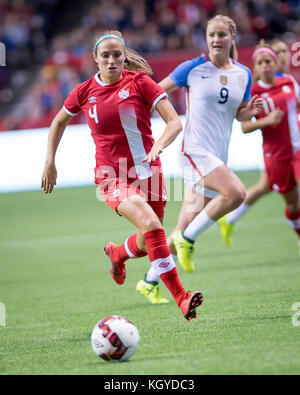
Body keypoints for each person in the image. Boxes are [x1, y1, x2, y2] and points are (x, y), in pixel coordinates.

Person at [41, 30, 203, 321]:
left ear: (123, 56)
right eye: (106, 55)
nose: (112, 60)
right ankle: (181, 296)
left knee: (147, 241)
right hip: (110, 177)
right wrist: (50, 162)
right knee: (153, 225)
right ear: (95, 59)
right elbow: (58, 121)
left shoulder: (141, 82)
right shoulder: (84, 91)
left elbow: (173, 122)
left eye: (117, 55)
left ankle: (118, 254)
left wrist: (159, 146)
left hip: (149, 173)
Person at [136, 14, 263, 298]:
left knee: (185, 222)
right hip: (194, 152)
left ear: (233, 37)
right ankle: (188, 240)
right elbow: (156, 92)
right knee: (237, 193)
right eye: (211, 35)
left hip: (217, 157)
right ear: (206, 39)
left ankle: (149, 281)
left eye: (222, 35)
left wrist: (248, 112)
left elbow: (238, 112)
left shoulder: (243, 73)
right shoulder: (192, 68)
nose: (216, 40)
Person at [219, 40, 300, 247]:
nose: (265, 66)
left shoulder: (289, 82)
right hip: (276, 155)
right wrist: (267, 120)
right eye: (261, 62)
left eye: (268, 61)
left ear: (274, 63)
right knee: (291, 203)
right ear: (256, 67)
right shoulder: (253, 92)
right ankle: (230, 219)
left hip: (297, 150)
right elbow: (244, 126)